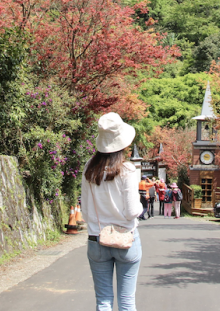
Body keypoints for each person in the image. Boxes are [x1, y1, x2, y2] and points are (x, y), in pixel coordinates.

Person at [80, 113, 143, 311]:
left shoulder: (89, 168)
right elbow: (133, 211)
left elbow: (86, 211)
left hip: (97, 238)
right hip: (126, 238)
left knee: (103, 300)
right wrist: (142, 206)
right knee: (126, 301)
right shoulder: (127, 170)